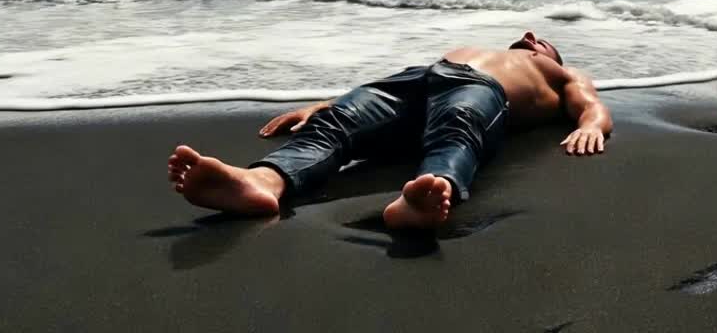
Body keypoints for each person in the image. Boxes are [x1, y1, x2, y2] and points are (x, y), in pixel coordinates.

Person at [167, 31, 612, 229]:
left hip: (482, 89)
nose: (542, 47)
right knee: (339, 123)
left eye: (549, 48)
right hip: (420, 77)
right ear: (530, 37)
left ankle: (425, 196)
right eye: (543, 44)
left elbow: (590, 104)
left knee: (458, 127)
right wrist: (326, 104)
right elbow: (378, 92)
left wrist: (591, 125)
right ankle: (260, 182)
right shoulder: (494, 46)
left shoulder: (557, 70)